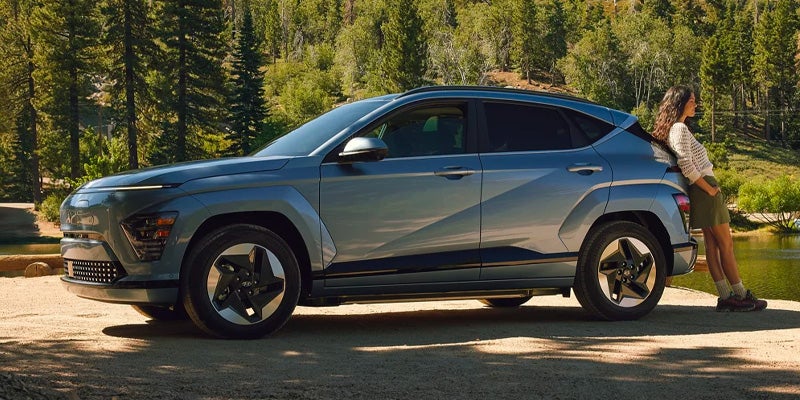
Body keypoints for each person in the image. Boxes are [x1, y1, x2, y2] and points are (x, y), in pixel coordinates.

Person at [652, 85, 767, 312]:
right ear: (680, 103)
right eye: (692, 101)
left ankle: (726, 297)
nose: (696, 104)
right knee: (726, 244)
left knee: (713, 246)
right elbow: (687, 165)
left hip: (700, 191)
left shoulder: (675, 129)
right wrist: (710, 189)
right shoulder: (679, 129)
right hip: (705, 190)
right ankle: (742, 295)